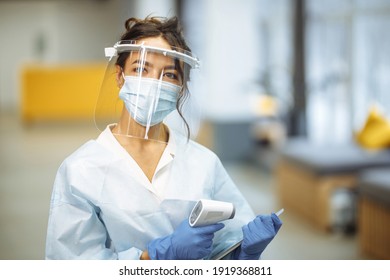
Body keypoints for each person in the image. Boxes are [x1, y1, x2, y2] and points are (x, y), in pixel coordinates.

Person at [45, 15, 282, 260]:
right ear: (119, 76)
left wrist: (240, 254)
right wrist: (153, 257)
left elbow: (227, 242)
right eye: (140, 69)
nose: (154, 84)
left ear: (180, 87)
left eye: (169, 75)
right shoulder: (80, 170)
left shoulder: (204, 163)